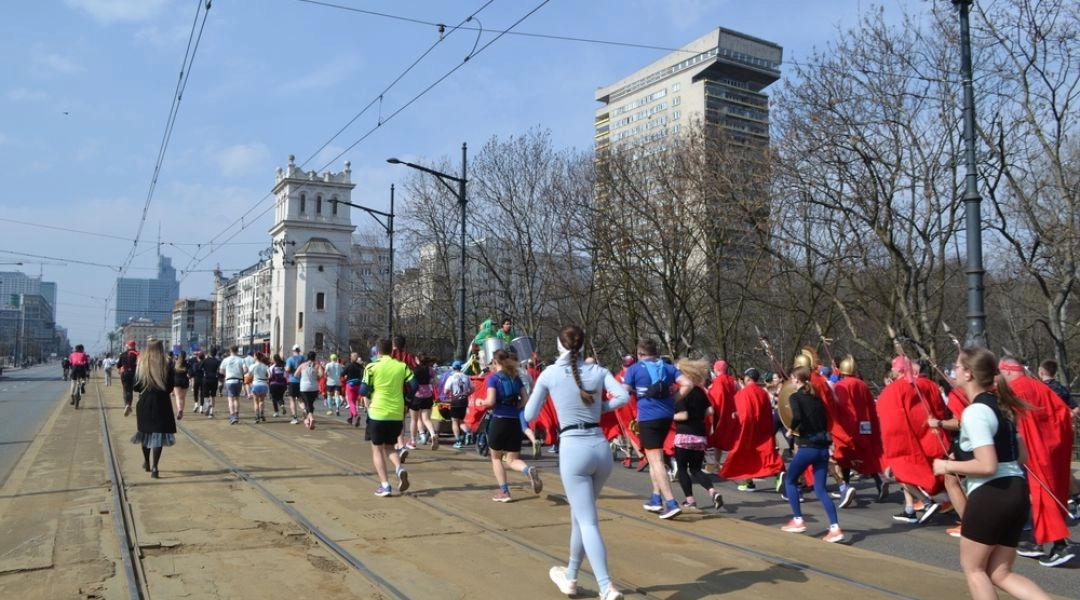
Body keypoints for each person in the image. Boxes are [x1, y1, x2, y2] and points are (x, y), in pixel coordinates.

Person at [932, 348, 1052, 600]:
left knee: (974, 570)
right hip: (1017, 491)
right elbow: (1021, 456)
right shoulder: (1003, 408)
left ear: (968, 373)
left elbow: (987, 465)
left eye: (956, 366)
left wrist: (948, 466)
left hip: (991, 494)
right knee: (1000, 573)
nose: (953, 371)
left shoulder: (976, 412)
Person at [524, 325, 629, 600]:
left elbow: (529, 413)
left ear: (559, 347)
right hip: (600, 446)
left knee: (588, 522)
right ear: (583, 347)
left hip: (573, 448)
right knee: (580, 518)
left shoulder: (549, 374)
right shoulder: (599, 372)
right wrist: (599, 408)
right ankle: (570, 576)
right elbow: (624, 397)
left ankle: (606, 586)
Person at [997, 358, 1076, 567]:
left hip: (1037, 448)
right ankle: (1037, 541)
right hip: (1051, 445)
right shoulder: (1037, 385)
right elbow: (1063, 412)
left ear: (1007, 371)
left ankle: (1060, 544)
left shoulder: (1016, 388)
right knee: (1041, 493)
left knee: (1043, 494)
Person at [781, 367, 845, 543]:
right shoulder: (817, 399)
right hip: (822, 448)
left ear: (796, 379)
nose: (791, 381)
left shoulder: (795, 397)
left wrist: (791, 430)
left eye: (793, 378)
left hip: (807, 447)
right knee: (820, 489)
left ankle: (798, 519)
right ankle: (835, 527)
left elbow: (798, 416)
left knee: (790, 480)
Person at [621, 338, 682, 519]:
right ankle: (656, 498)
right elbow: (688, 384)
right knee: (657, 456)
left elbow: (623, 392)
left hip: (648, 417)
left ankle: (671, 502)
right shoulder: (667, 367)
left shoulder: (634, 369)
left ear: (640, 354)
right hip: (666, 416)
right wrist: (673, 400)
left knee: (655, 460)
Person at [479, 349, 542, 502]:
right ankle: (527, 469)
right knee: (512, 459)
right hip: (515, 422)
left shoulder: (493, 379)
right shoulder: (516, 377)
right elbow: (526, 399)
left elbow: (491, 401)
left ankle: (504, 492)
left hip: (499, 419)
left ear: (495, 362)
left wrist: (480, 402)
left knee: (496, 457)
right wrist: (516, 408)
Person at [361, 338, 415, 497]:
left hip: (377, 413)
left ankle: (385, 485)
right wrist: (407, 401)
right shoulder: (401, 366)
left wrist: (372, 390)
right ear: (392, 351)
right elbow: (415, 386)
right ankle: (399, 469)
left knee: (377, 449)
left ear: (377, 352)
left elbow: (363, 390)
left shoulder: (371, 367)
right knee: (390, 446)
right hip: (397, 413)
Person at [719, 367, 783, 498]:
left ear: (747, 378)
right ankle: (778, 474)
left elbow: (745, 414)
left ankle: (749, 482)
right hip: (764, 427)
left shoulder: (742, 393)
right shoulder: (763, 392)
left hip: (748, 429)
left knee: (745, 454)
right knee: (767, 453)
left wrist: (736, 415)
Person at [672, 358, 723, 511]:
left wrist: (669, 415)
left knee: (682, 469)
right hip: (700, 435)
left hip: (684, 435)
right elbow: (710, 411)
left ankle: (690, 499)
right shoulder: (700, 391)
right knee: (696, 469)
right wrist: (699, 413)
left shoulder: (681, 391)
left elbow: (683, 415)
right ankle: (712, 491)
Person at [129, 338, 176, 479]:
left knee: (145, 433)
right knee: (158, 435)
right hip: (161, 403)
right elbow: (169, 387)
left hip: (145, 402)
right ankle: (156, 466)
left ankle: (147, 462)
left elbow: (136, 386)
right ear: (161, 349)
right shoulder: (166, 364)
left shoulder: (141, 363)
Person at [408, 354, 440, 450]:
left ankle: (413, 441)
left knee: (414, 419)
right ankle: (433, 434)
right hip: (428, 396)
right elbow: (436, 382)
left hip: (416, 396)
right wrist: (429, 381)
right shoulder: (430, 370)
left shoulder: (414, 370)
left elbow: (410, 383)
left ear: (417, 359)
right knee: (426, 419)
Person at [443, 361, 473, 448]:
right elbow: (473, 389)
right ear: (460, 368)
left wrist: (449, 393)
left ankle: (458, 441)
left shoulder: (451, 377)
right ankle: (467, 432)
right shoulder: (466, 377)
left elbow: (446, 391)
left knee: (454, 421)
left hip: (455, 401)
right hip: (464, 400)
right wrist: (466, 394)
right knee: (461, 420)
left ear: (453, 368)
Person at [219, 346, 248, 425]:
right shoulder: (241, 360)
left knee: (230, 399)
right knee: (236, 399)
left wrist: (226, 373)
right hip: (238, 381)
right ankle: (237, 415)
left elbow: (221, 371)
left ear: (230, 351)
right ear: (237, 351)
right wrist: (240, 373)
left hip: (229, 380)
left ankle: (232, 416)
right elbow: (246, 370)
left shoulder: (225, 360)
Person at [296, 351, 324, 430]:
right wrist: (316, 377)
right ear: (314, 357)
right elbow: (321, 374)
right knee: (310, 404)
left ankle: (311, 418)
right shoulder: (317, 365)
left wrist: (302, 375)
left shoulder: (302, 365)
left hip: (304, 387)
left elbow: (296, 374)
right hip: (314, 387)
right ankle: (307, 420)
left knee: (306, 403)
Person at [118, 340, 140, 416]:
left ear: (127, 346)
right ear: (134, 346)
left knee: (126, 390)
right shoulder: (137, 354)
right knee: (130, 390)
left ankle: (127, 405)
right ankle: (129, 404)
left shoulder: (123, 354)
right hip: (134, 375)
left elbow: (118, 365)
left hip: (125, 374)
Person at [343, 352, 365, 426]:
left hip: (350, 385)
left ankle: (356, 415)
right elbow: (364, 371)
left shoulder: (349, 365)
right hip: (358, 385)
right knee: (354, 402)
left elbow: (342, 374)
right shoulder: (359, 366)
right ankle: (351, 418)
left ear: (351, 358)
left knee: (351, 402)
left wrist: (346, 376)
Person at [285, 345, 305, 424]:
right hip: (301, 381)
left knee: (292, 400)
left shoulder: (290, 359)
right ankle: (305, 409)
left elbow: (288, 369)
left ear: (293, 350)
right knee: (300, 399)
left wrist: (285, 368)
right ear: (299, 350)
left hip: (292, 381)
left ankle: (295, 418)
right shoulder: (303, 358)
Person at [249, 352, 271, 423]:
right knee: (261, 401)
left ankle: (257, 416)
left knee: (256, 402)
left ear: (255, 357)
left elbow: (249, 375)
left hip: (255, 384)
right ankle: (262, 414)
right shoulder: (265, 366)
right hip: (264, 384)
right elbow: (270, 375)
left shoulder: (253, 366)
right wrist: (266, 379)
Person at [199, 348, 221, 418]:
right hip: (214, 379)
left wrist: (205, 370)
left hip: (206, 379)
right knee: (213, 395)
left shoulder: (205, 360)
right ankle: (211, 412)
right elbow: (220, 371)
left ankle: (207, 405)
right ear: (216, 353)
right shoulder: (217, 361)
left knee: (206, 395)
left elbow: (199, 368)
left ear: (209, 353)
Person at [268, 354, 288, 418]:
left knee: (274, 398)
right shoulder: (283, 366)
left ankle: (276, 412)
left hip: (273, 384)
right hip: (282, 385)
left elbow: (269, 376)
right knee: (280, 397)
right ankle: (282, 404)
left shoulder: (271, 367)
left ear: (274, 360)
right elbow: (285, 376)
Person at [172, 350, 189, 420]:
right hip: (185, 381)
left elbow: (171, 372)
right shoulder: (187, 363)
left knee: (178, 397)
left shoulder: (175, 363)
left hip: (177, 381)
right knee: (183, 397)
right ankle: (182, 410)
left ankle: (179, 409)